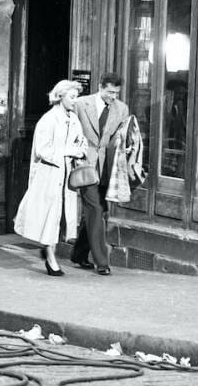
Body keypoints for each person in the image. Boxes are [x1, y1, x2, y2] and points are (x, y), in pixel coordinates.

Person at [14, 80, 87, 276]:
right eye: (72, 97)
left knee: (59, 217)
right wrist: (69, 151)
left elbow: (82, 143)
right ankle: (50, 257)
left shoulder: (74, 119)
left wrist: (79, 151)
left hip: (66, 176)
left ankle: (48, 251)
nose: (75, 101)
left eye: (76, 97)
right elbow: (43, 150)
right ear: (60, 96)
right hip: (49, 175)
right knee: (49, 216)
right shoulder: (47, 120)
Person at [71, 73, 130, 275]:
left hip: (106, 168)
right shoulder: (80, 104)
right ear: (100, 87)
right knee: (95, 209)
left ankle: (78, 254)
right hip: (85, 165)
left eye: (116, 93)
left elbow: (119, 139)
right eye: (110, 92)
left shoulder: (121, 109)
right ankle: (101, 262)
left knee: (98, 210)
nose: (113, 97)